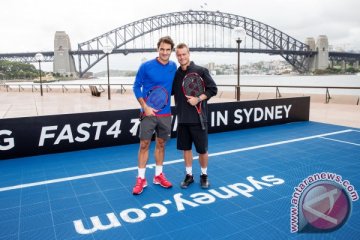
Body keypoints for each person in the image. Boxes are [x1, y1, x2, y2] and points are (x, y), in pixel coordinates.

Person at [132, 36, 177, 195]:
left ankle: (158, 175)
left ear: (171, 51)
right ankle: (141, 179)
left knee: (161, 144)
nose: (165, 52)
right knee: (144, 144)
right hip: (148, 113)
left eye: (168, 50)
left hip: (166, 114)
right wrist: (145, 106)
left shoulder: (173, 66)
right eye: (162, 49)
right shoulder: (146, 66)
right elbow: (136, 87)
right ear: (158, 49)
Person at [172, 43, 218, 189]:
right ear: (176, 56)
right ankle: (189, 176)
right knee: (186, 149)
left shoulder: (201, 70)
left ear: (188, 54)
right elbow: (170, 91)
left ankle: (204, 176)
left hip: (198, 119)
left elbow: (213, 89)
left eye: (184, 54)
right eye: (179, 55)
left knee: (202, 150)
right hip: (182, 119)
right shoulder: (176, 74)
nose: (182, 57)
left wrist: (198, 99)